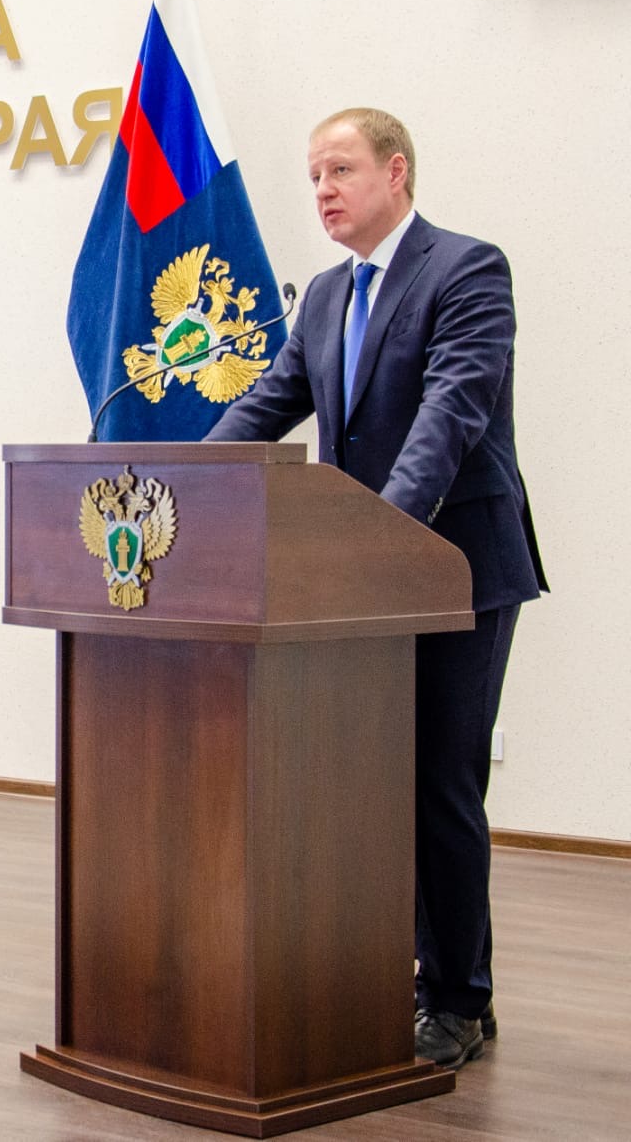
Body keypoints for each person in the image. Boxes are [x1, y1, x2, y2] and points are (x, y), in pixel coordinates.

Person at [206, 108, 545, 1069]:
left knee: (438, 778)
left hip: (453, 567)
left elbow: (451, 413)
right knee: (368, 781)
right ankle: (387, 962)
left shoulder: (467, 269)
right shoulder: (320, 297)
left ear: (396, 172)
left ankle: (459, 997)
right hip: (355, 579)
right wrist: (181, 479)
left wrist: (380, 531)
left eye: (340, 168)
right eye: (313, 173)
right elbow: (267, 405)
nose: (323, 188)